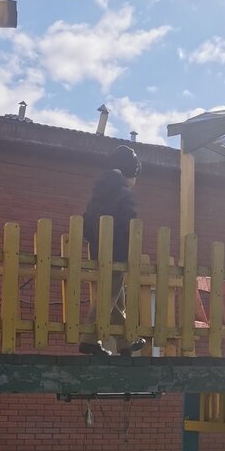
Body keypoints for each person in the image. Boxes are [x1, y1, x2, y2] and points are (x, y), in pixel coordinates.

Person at [79, 145, 149, 357]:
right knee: (107, 296)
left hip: (98, 252)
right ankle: (89, 340)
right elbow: (130, 226)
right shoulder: (124, 195)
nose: (135, 182)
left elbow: (86, 224)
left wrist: (95, 241)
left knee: (116, 300)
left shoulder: (97, 195)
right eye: (135, 176)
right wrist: (131, 250)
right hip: (117, 254)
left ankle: (125, 342)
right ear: (130, 172)